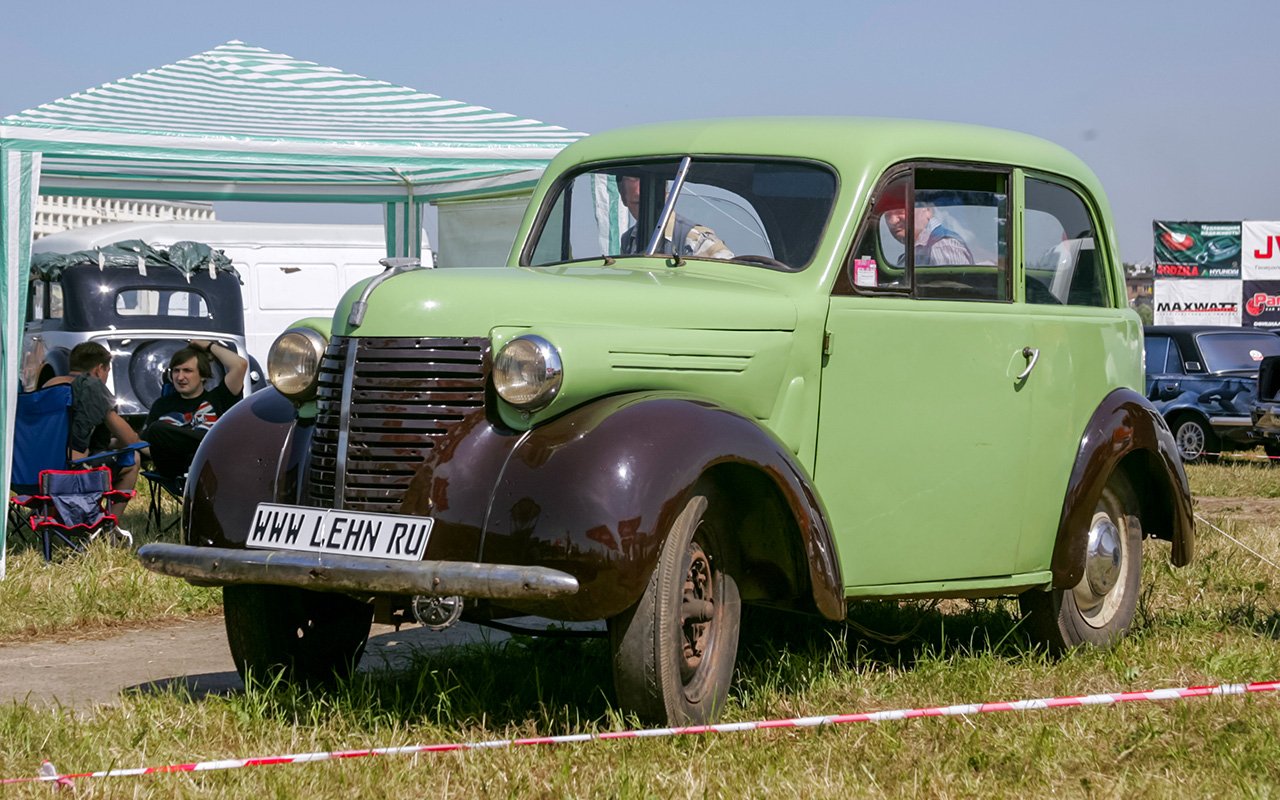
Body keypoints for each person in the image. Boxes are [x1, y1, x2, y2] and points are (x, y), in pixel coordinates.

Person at [42, 342, 142, 522]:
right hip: (68, 475)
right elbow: (130, 440)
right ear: (98, 369)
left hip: (33, 472)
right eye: (107, 372)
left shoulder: (47, 387)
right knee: (133, 459)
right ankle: (110, 526)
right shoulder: (92, 388)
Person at [142, 340, 248, 479]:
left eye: (187, 371)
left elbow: (240, 365)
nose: (180, 377)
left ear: (203, 375)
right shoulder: (161, 405)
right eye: (176, 371)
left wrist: (209, 346)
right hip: (175, 468)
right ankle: (207, 440)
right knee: (156, 430)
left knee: (223, 437)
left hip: (210, 463)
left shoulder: (219, 398)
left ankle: (207, 441)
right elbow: (146, 443)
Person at [616, 175, 734, 259]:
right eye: (637, 203)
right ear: (624, 199)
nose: (645, 207)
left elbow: (728, 282)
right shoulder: (628, 241)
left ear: (666, 195)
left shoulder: (695, 239)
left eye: (651, 200)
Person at [880, 188, 974, 266]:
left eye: (901, 211)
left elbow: (955, 288)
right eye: (887, 215)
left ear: (927, 210)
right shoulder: (909, 255)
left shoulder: (942, 246)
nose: (892, 221)